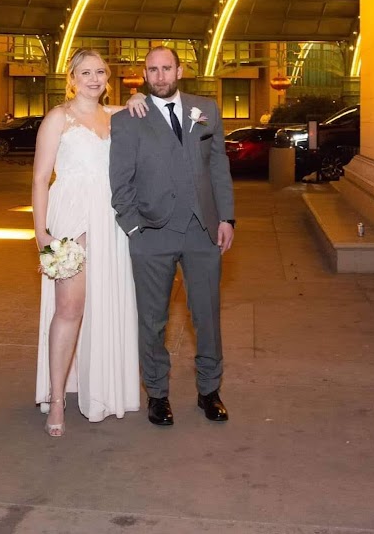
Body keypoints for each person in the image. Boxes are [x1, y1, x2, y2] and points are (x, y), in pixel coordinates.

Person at [109, 46, 235, 428]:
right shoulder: (129, 118)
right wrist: (133, 227)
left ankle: (209, 391)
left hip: (203, 231)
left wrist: (226, 218)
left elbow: (218, 167)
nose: (160, 76)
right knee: (152, 320)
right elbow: (120, 180)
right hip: (152, 233)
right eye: (153, 70)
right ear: (143, 75)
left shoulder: (206, 109)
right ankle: (158, 395)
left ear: (180, 70)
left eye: (166, 68)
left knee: (207, 317)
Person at [32, 48, 147, 437]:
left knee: (106, 303)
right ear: (72, 77)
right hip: (72, 220)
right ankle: (58, 397)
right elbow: (39, 179)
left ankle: (101, 388)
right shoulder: (58, 118)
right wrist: (42, 234)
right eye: (86, 72)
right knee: (69, 308)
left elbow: (144, 111)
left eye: (100, 71)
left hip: (111, 221)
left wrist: (137, 97)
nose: (94, 78)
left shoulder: (115, 116)